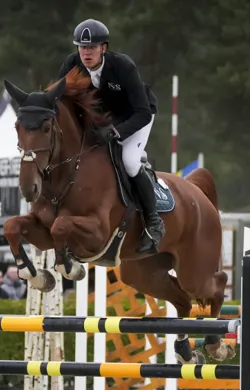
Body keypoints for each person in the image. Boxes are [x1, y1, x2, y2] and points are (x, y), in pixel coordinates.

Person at [56, 18, 163, 254]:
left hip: (136, 116)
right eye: (82, 47)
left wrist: (117, 132)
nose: (86, 53)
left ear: (103, 48)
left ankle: (153, 222)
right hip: (103, 120)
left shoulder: (123, 67)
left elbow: (142, 112)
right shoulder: (72, 66)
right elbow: (60, 102)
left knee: (130, 161)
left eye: (92, 47)